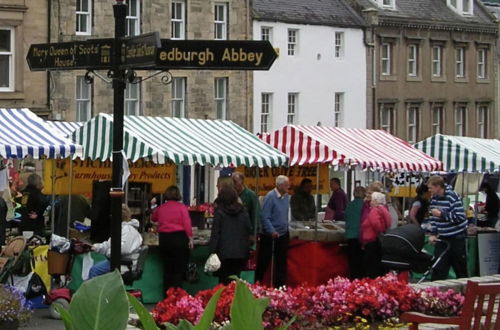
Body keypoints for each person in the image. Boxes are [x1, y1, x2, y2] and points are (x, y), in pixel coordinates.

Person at [427, 175, 468, 281]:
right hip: (442, 238)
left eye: (431, 187)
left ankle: (464, 292)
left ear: (438, 187)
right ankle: (435, 294)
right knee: (438, 268)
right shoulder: (434, 199)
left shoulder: (452, 196)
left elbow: (460, 216)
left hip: (456, 238)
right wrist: (433, 233)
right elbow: (433, 218)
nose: (429, 190)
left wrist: (442, 214)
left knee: (460, 269)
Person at [151, 185, 193, 289]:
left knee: (167, 269)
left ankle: (167, 296)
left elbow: (153, 218)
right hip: (179, 238)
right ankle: (177, 295)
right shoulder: (181, 207)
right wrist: (190, 238)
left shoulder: (161, 208)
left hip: (165, 239)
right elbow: (187, 223)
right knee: (179, 269)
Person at [208, 187, 252, 284]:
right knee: (235, 280)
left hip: (223, 253)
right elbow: (248, 228)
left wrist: (212, 251)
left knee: (223, 281)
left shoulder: (219, 212)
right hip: (240, 252)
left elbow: (215, 233)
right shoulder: (243, 211)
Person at [89, 204, 143, 278]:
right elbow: (109, 244)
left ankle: (94, 290)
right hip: (119, 261)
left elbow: (123, 249)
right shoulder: (123, 228)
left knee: (94, 270)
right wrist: (95, 247)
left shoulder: (128, 230)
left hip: (122, 264)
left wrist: (108, 252)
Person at [256, 175, 290, 288]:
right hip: (270, 235)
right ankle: (258, 284)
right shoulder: (270, 197)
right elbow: (265, 216)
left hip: (283, 234)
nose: (288, 187)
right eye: (286, 185)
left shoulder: (286, 197)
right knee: (264, 262)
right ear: (279, 185)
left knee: (281, 263)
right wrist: (272, 230)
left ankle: (280, 286)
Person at [360, 192, 391, 278]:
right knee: (377, 265)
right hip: (376, 241)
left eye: (372, 200)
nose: (370, 202)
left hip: (371, 241)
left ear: (376, 201)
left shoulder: (374, 210)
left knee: (371, 266)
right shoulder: (383, 209)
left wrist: (379, 231)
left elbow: (375, 224)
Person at [344, 186, 366, 279]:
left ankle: (352, 280)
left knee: (352, 261)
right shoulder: (365, 206)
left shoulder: (349, 205)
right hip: (361, 236)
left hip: (350, 236)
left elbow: (346, 219)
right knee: (361, 261)